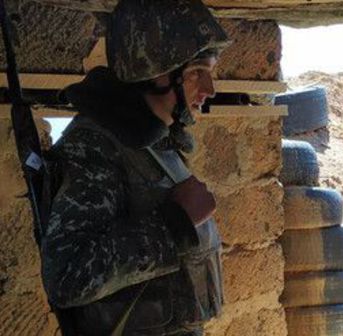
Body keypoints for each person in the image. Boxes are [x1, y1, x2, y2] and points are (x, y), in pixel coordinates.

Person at [39, 0, 231, 335]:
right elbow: (68, 277)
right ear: (155, 72)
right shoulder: (94, 147)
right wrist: (174, 224)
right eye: (196, 73)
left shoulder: (151, 142)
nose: (209, 90)